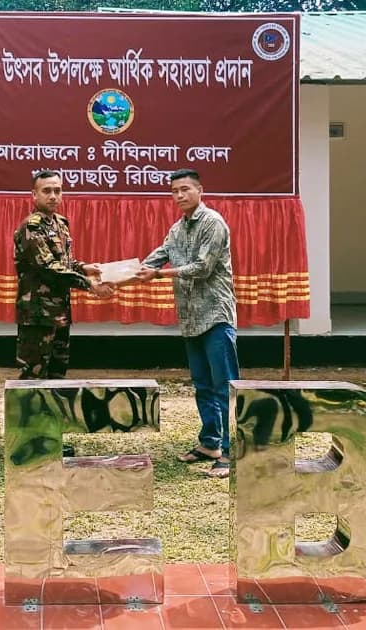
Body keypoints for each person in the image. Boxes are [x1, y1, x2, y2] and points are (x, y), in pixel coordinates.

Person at [135, 168, 239, 479]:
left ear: (199, 190)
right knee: (202, 385)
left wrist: (158, 275)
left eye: (185, 189)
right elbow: (157, 257)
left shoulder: (213, 223)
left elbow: (203, 268)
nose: (179, 196)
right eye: (174, 191)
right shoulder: (177, 229)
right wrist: (122, 274)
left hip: (216, 316)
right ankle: (209, 444)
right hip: (191, 318)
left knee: (225, 386)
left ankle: (231, 452)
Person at [13, 170, 112, 456]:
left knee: (56, 375)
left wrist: (85, 268)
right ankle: (27, 439)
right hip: (37, 316)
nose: (53, 196)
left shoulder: (60, 224)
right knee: (34, 376)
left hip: (59, 314)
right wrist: (89, 285)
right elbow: (48, 268)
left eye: (57, 190)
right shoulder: (32, 228)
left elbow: (65, 262)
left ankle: (49, 436)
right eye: (47, 191)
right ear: (33, 195)